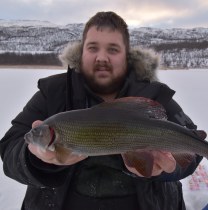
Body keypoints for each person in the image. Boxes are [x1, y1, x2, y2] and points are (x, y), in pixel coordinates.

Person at [0, 11, 203, 210]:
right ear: (82, 52)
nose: (102, 57)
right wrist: (35, 160)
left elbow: (192, 149)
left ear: (127, 56)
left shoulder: (155, 94)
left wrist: (167, 170)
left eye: (113, 49)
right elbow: (10, 148)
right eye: (93, 48)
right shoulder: (52, 93)